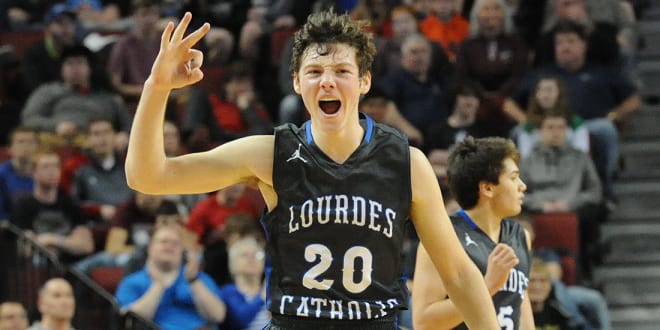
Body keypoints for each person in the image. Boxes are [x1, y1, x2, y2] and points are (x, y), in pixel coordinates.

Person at [125, 10, 500, 329]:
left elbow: (459, 274)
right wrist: (156, 88)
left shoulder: (407, 162)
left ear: (364, 80)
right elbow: (147, 177)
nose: (327, 81)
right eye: (315, 70)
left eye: (341, 70)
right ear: (296, 82)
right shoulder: (269, 154)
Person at [413, 137, 535, 329]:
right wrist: (487, 287)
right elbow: (424, 322)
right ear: (487, 188)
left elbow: (521, 307)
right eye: (513, 178)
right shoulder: (444, 236)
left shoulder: (521, 236)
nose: (522, 185)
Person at [115, 224, 226, 330]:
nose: (169, 246)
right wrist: (159, 285)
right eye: (163, 241)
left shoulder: (200, 278)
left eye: (175, 243)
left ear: (182, 251)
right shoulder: (132, 282)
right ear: (150, 248)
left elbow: (218, 316)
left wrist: (193, 281)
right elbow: (131, 322)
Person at [10, 151, 94, 264]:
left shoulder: (70, 204)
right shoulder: (23, 207)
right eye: (45, 167)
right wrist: (70, 243)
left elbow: (86, 246)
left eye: (55, 167)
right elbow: (26, 249)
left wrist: (50, 239)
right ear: (33, 172)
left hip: (74, 266)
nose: (52, 172)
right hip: (37, 267)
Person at [219, 237, 270, 330]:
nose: (251, 258)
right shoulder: (228, 292)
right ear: (233, 264)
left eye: (257, 255)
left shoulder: (272, 291)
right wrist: (262, 297)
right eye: (244, 255)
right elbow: (239, 320)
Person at [0, 127, 39, 221]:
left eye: (31, 142)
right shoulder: (1, 175)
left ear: (37, 147)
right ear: (9, 149)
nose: (26, 146)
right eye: (21, 142)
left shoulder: (44, 173)